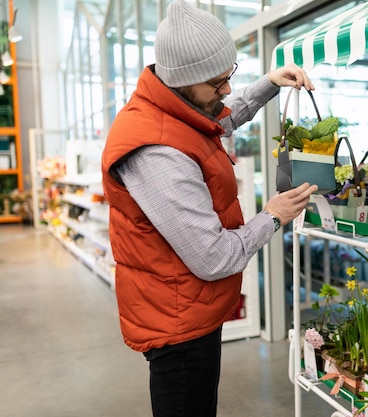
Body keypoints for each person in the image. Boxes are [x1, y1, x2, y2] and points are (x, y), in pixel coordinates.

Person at [100, 1, 318, 416]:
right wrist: (272, 216)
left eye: (229, 76)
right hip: (177, 323)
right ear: (182, 81)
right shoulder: (155, 152)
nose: (227, 91)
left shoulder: (173, 110)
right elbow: (214, 257)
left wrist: (269, 84)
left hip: (188, 305)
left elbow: (218, 120)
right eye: (217, 83)